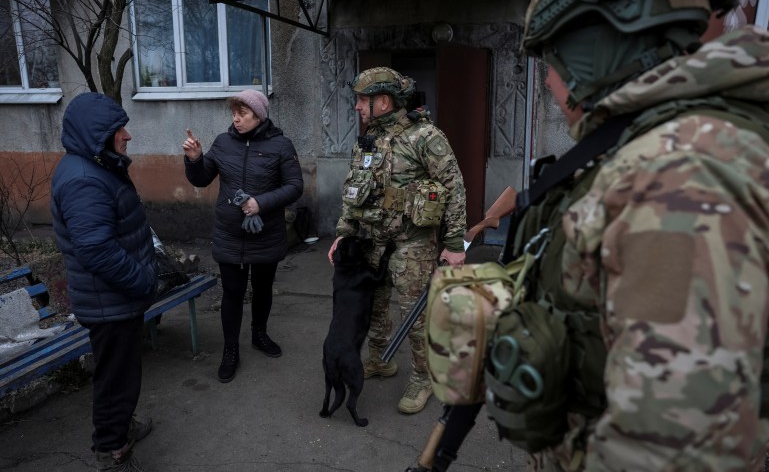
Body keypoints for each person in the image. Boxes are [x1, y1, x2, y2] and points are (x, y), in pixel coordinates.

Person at [461, 0, 769, 471]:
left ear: (596, 52)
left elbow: (668, 446)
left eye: (553, 63)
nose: (552, 88)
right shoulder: (658, 144)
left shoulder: (679, 176)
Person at [327, 67, 467, 414]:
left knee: (415, 316)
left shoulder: (425, 136)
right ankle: (379, 359)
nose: (357, 107)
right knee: (372, 305)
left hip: (413, 243)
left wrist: (453, 244)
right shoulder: (369, 138)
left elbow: (454, 187)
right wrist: (344, 232)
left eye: (362, 100)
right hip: (372, 239)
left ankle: (424, 377)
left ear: (384, 101)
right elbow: (354, 188)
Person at [50, 92, 158, 472]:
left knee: (121, 374)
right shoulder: (84, 180)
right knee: (115, 381)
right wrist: (144, 281)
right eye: (119, 129)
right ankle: (111, 452)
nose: (127, 135)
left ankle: (120, 428)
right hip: (110, 302)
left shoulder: (96, 164)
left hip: (114, 299)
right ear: (99, 135)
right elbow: (97, 251)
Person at [183, 89, 303, 383]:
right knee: (232, 293)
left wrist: (261, 202)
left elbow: (295, 185)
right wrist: (195, 159)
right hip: (230, 234)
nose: (236, 120)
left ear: (259, 115)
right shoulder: (223, 143)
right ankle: (230, 350)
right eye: (233, 114)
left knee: (262, 289)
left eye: (243, 114)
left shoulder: (281, 145)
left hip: (265, 232)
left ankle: (259, 335)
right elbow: (201, 179)